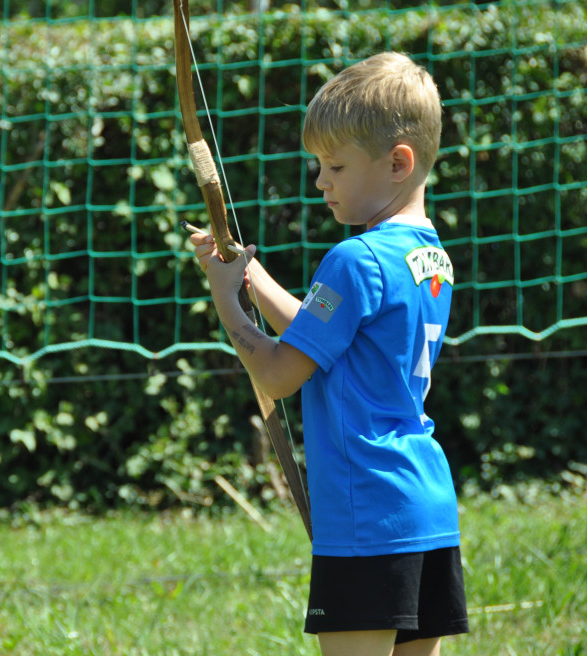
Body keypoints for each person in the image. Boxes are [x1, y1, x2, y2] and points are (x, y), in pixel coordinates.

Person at [189, 51, 469, 656]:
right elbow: (327, 339)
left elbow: (280, 372)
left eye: (335, 166)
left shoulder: (354, 258)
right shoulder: (430, 259)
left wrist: (226, 303)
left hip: (366, 512)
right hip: (425, 508)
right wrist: (248, 273)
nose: (321, 181)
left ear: (399, 163)